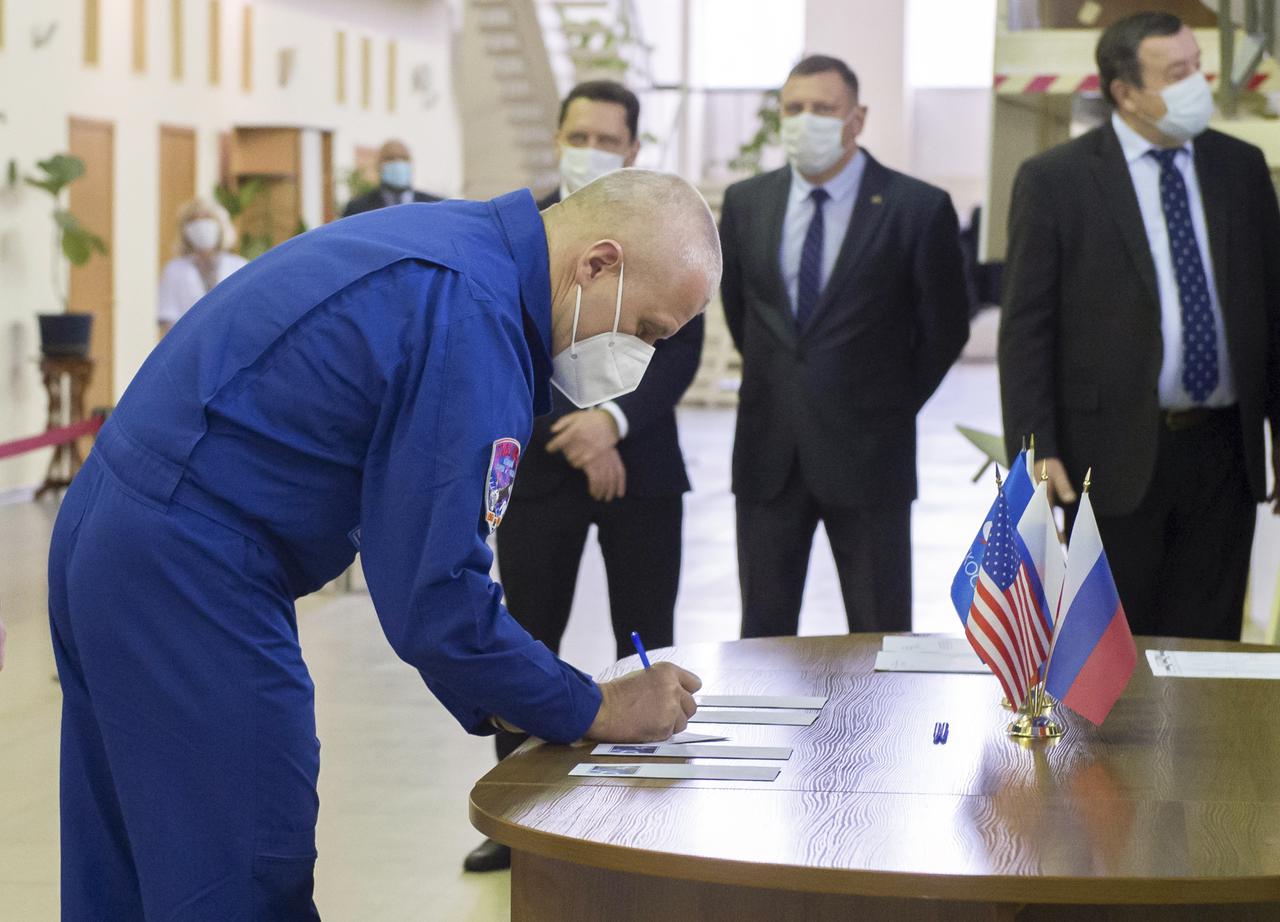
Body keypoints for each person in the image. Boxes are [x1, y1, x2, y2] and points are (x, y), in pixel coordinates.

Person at [47, 169, 720, 920]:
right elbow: (437, 600)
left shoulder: (466, 248)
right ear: (598, 264)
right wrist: (589, 706)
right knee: (239, 870)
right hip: (189, 569)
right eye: (649, 331)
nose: (642, 360)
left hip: (112, 528)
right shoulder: (475, 317)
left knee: (126, 866)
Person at [464, 80, 705, 874]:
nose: (589, 149)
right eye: (578, 134)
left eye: (606, 138)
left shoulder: (667, 226)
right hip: (538, 466)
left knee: (647, 633)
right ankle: (516, 817)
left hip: (642, 467)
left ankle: (646, 813)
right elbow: (501, 341)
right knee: (526, 630)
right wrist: (570, 431)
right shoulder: (524, 229)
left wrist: (612, 424)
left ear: (632, 148)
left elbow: (677, 345)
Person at [999, 12, 1280, 640]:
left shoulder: (1240, 168)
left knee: (1211, 643)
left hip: (1225, 452)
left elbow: (1272, 308)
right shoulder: (1056, 180)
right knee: (1115, 649)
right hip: (1112, 453)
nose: (1197, 84)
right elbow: (1026, 328)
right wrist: (1035, 450)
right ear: (1126, 92)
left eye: (1197, 67)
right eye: (1177, 73)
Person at [718, 54, 969, 640]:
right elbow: (743, 311)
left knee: (879, 631)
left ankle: (879, 735)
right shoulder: (747, 202)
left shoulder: (916, 208)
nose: (807, 121)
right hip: (768, 453)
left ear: (857, 118)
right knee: (763, 630)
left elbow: (945, 327)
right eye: (794, 108)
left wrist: (887, 403)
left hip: (870, 453)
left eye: (823, 109)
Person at [156, 198, 247, 336]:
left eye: (207, 218)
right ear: (184, 230)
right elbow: (167, 318)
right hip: (188, 346)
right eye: (193, 220)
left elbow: (246, 312)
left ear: (220, 225)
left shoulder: (239, 266)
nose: (200, 225)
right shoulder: (174, 270)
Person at [341, 139, 442, 216]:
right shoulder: (358, 208)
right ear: (378, 165)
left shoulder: (434, 205)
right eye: (390, 158)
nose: (397, 163)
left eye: (403, 158)